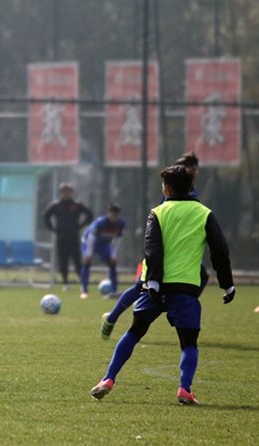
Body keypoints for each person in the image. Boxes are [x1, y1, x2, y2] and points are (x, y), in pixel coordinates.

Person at [90, 164, 235, 405]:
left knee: (134, 332)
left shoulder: (157, 212)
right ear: (191, 188)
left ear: (166, 188)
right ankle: (184, 389)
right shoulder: (205, 213)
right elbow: (219, 250)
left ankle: (108, 378)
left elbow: (152, 249)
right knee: (189, 343)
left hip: (154, 287)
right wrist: (227, 284)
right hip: (186, 287)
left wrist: (154, 283)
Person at [100, 152, 204, 340]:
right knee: (141, 286)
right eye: (191, 169)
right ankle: (113, 318)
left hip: (175, 251)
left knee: (201, 275)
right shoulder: (181, 191)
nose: (194, 172)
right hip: (162, 250)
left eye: (195, 169)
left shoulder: (187, 190)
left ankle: (175, 310)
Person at [43, 182, 93, 290]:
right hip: (61, 238)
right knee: (63, 262)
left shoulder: (77, 205)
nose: (65, 194)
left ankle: (82, 283)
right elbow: (46, 217)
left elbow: (89, 214)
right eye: (63, 192)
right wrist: (53, 228)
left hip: (73, 237)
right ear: (60, 193)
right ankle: (65, 283)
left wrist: (80, 226)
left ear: (71, 193)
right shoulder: (56, 205)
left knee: (77, 262)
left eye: (68, 192)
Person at [79, 204, 125, 299]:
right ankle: (84, 290)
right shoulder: (101, 223)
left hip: (103, 244)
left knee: (112, 263)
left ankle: (114, 291)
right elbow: (91, 237)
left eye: (116, 215)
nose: (114, 217)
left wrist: (114, 255)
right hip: (89, 242)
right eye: (112, 214)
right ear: (108, 214)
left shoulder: (120, 224)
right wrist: (88, 254)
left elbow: (118, 240)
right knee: (86, 263)